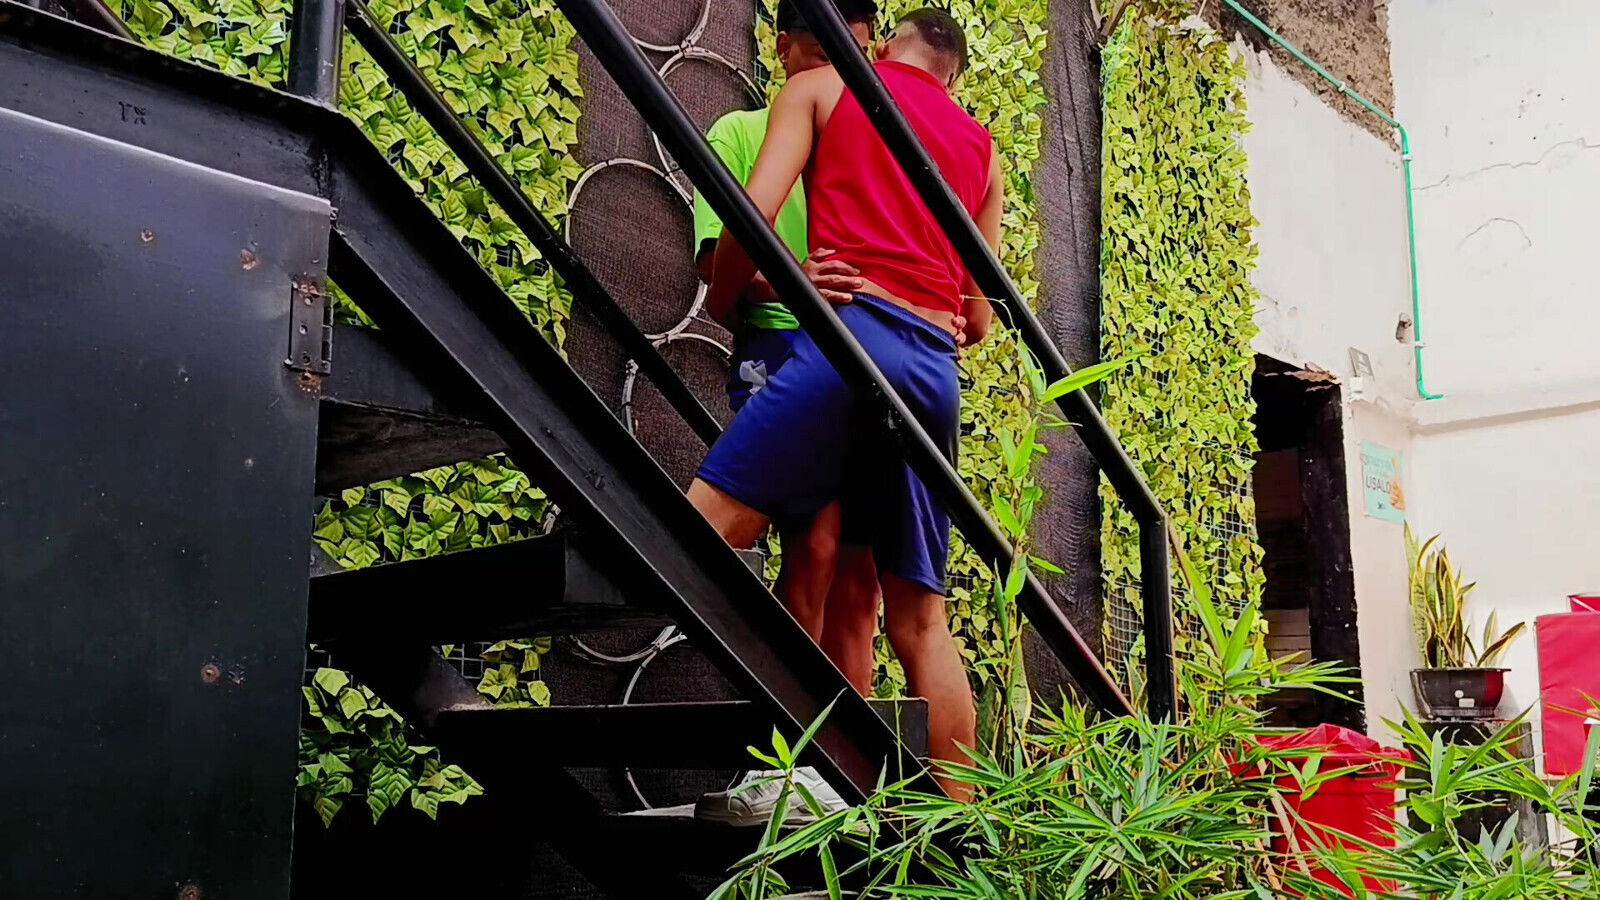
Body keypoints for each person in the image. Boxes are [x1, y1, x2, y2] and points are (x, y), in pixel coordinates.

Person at [692, 8, 1002, 805]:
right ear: (953, 73)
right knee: (920, 621)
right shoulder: (982, 147)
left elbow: (750, 214)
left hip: (848, 336)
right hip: (932, 365)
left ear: (889, 38)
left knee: (695, 531)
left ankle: (781, 754)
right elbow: (980, 319)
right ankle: (963, 839)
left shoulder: (824, 87)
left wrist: (729, 295)